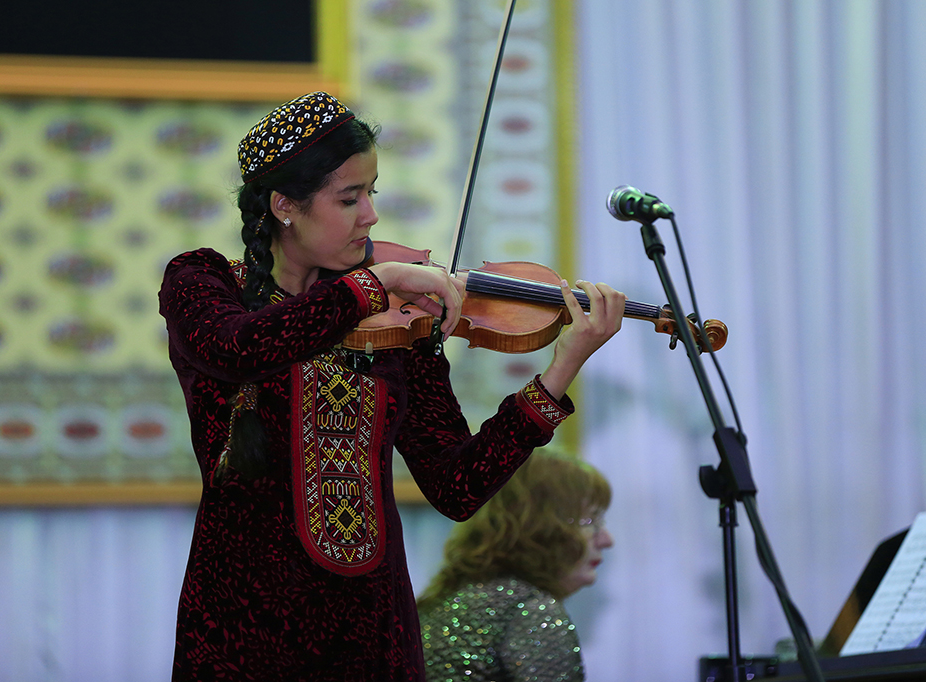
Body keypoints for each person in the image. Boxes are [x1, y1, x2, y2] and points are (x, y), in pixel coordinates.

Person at [158, 91, 625, 681]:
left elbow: (456, 485)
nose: (370, 215)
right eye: (349, 198)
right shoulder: (203, 281)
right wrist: (371, 284)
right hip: (245, 626)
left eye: (372, 192)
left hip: (374, 631)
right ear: (284, 206)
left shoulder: (397, 321)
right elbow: (239, 347)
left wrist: (561, 369)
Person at [417, 448, 614, 682]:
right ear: (540, 526)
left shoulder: (444, 600)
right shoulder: (529, 610)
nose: (606, 540)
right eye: (591, 520)